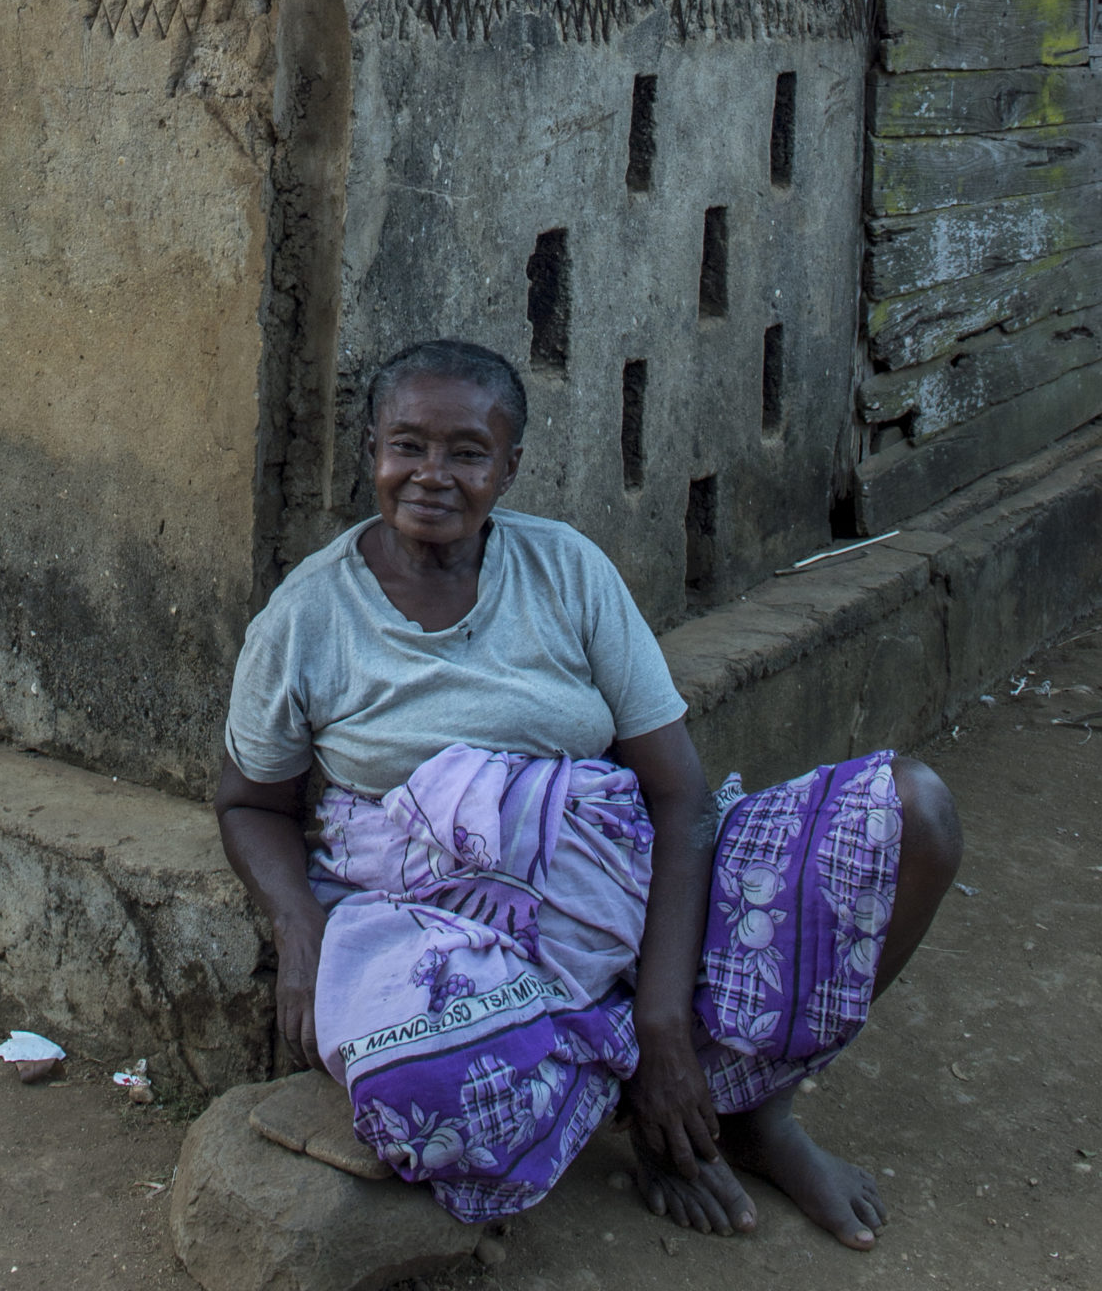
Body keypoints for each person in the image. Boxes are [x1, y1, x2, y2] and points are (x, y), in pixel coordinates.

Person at [216, 339, 962, 1247]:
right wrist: (301, 930)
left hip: (626, 893)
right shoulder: (307, 618)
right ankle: (636, 1092)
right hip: (447, 935)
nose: (430, 475)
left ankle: (750, 1110)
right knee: (415, 1085)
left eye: (466, 452)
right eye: (406, 445)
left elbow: (680, 797)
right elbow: (249, 803)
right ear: (370, 450)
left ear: (510, 468)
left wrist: (660, 1021)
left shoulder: (565, 570)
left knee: (912, 814)